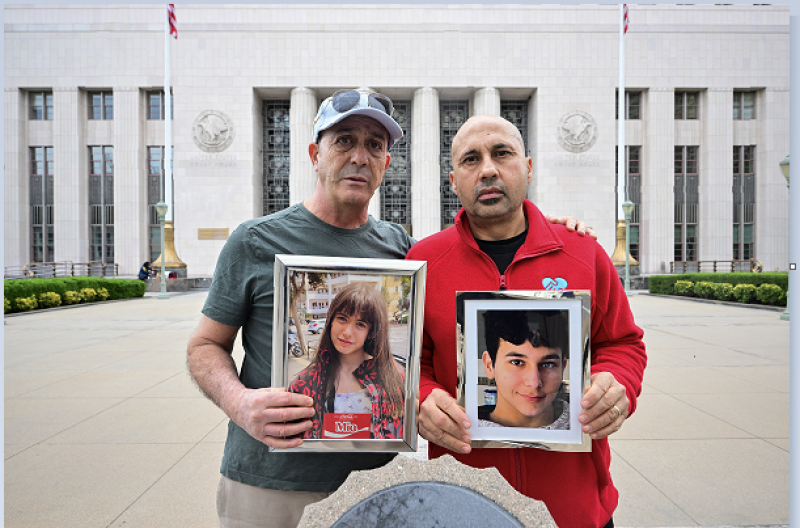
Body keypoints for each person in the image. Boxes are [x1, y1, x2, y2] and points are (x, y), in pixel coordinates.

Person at [187, 89, 596, 528]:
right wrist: (241, 403)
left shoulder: (403, 252)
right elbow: (205, 346)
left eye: (374, 146)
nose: (360, 156)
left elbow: (425, 350)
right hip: (269, 483)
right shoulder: (253, 242)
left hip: (375, 488)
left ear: (386, 163)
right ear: (314, 154)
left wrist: (548, 228)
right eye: (343, 140)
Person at [407, 114, 647, 528]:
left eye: (502, 153)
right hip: (464, 505)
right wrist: (423, 397)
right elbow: (409, 362)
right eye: (470, 159)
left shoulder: (583, 253)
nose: (487, 169)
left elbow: (623, 343)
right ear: (453, 180)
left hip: (574, 510)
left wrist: (618, 384)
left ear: (528, 167)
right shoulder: (424, 262)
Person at [289, 282, 404, 439]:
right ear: (331, 321)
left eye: (360, 324)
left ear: (371, 332)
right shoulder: (306, 381)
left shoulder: (395, 377)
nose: (347, 332)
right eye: (342, 319)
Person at [478, 310, 569, 430]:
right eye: (517, 362)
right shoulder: (461, 431)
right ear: (489, 365)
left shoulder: (588, 426)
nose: (534, 383)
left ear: (563, 368)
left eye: (548, 365)